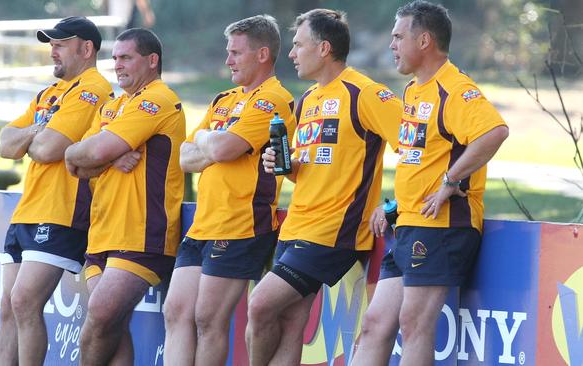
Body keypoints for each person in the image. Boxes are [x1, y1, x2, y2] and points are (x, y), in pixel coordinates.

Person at [350, 1, 509, 365]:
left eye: (397, 36)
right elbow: (419, 159)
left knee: (414, 323)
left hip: (441, 227)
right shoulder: (412, 91)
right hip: (408, 223)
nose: (390, 44)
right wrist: (391, 207)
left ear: (424, 41)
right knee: (375, 323)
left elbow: (495, 132)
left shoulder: (455, 88)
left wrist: (451, 181)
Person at [247, 9, 402, 366]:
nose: (291, 53)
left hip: (333, 232)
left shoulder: (365, 93)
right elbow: (305, 167)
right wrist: (285, 166)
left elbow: (416, 148)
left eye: (298, 44)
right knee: (288, 323)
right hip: (296, 225)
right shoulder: (307, 101)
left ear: (324, 49)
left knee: (259, 305)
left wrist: (395, 204)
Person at [162, 15, 296, 366]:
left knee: (208, 319)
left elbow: (219, 151)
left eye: (236, 52)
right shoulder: (224, 99)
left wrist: (207, 141)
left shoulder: (273, 100)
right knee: (175, 311)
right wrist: (212, 143)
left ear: (262, 54)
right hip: (202, 224)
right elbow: (184, 158)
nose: (228, 60)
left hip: (241, 225)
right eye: (228, 52)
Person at [0, 16, 112, 366]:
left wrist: (30, 136)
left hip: (62, 210)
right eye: (52, 45)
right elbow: (4, 144)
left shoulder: (93, 89)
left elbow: (47, 150)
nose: (52, 52)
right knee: (7, 309)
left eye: (60, 45)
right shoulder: (48, 93)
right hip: (27, 209)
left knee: (24, 301)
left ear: (86, 49)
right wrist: (39, 130)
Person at [64, 27, 185, 366]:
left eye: (126, 57)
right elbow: (73, 160)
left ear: (152, 60)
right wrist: (107, 157)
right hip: (101, 233)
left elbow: (91, 151)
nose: (117, 65)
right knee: (112, 329)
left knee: (99, 319)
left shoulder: (157, 98)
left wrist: (97, 153)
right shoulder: (113, 106)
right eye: (114, 58)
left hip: (141, 234)